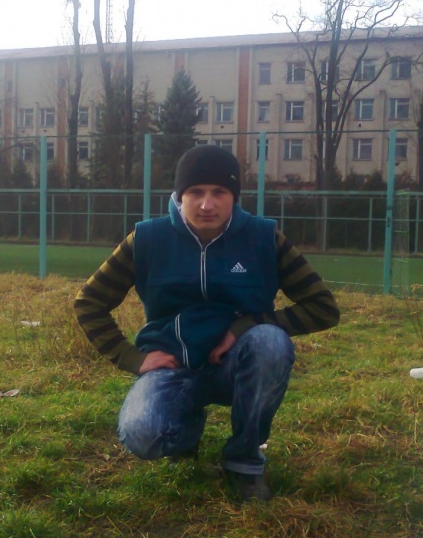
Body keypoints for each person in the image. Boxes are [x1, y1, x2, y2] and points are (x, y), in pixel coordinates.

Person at [74, 145, 340, 502]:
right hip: (172, 368)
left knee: (270, 342)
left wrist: (246, 326)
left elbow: (323, 308)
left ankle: (244, 462)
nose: (206, 204)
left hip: (237, 368)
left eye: (219, 192)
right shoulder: (147, 240)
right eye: (195, 192)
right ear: (179, 195)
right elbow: (89, 301)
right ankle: (186, 432)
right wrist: (132, 358)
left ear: (234, 196)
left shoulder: (264, 239)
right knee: (142, 434)